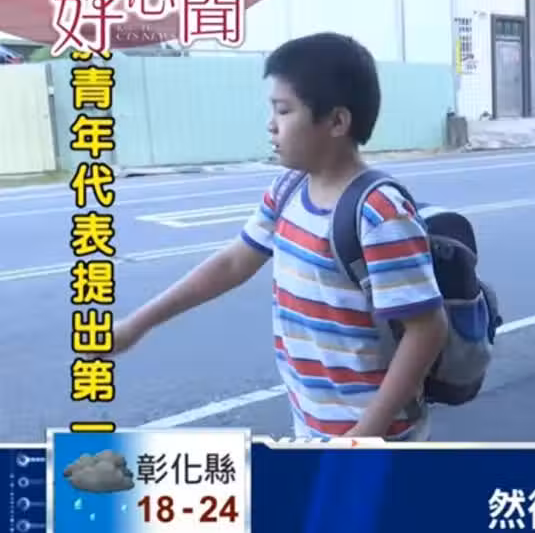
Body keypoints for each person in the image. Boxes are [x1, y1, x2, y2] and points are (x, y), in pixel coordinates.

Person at [92, 32, 449, 440]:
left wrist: (363, 434)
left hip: (375, 437)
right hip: (313, 424)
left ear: (337, 121)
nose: (271, 124)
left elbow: (427, 329)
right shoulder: (288, 189)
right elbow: (232, 264)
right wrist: (136, 325)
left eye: (284, 110)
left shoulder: (378, 213)